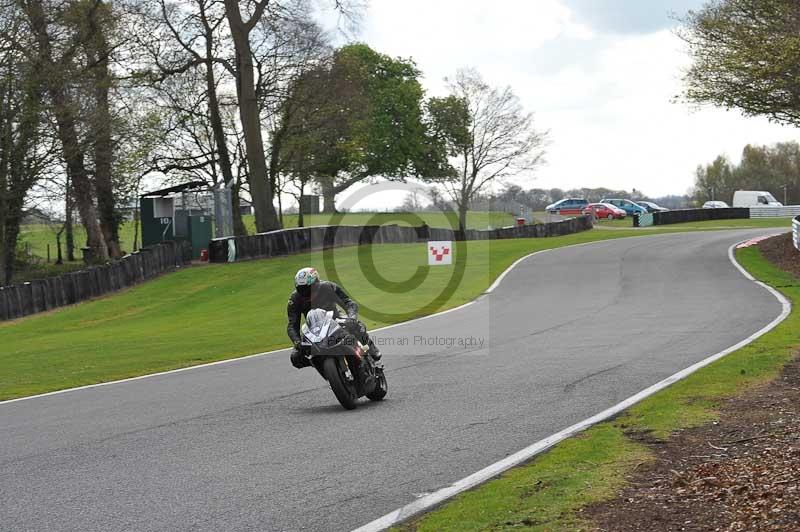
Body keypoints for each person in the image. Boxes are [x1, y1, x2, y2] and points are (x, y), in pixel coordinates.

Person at [287, 267, 382, 369]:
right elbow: (292, 325)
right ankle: (319, 364)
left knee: (357, 326)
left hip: (336, 320)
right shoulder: (294, 300)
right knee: (295, 357)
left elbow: (349, 303)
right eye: (302, 290)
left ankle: (370, 348)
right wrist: (297, 342)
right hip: (315, 329)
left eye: (309, 288)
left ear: (317, 283)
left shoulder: (328, 287)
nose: (306, 293)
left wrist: (352, 318)